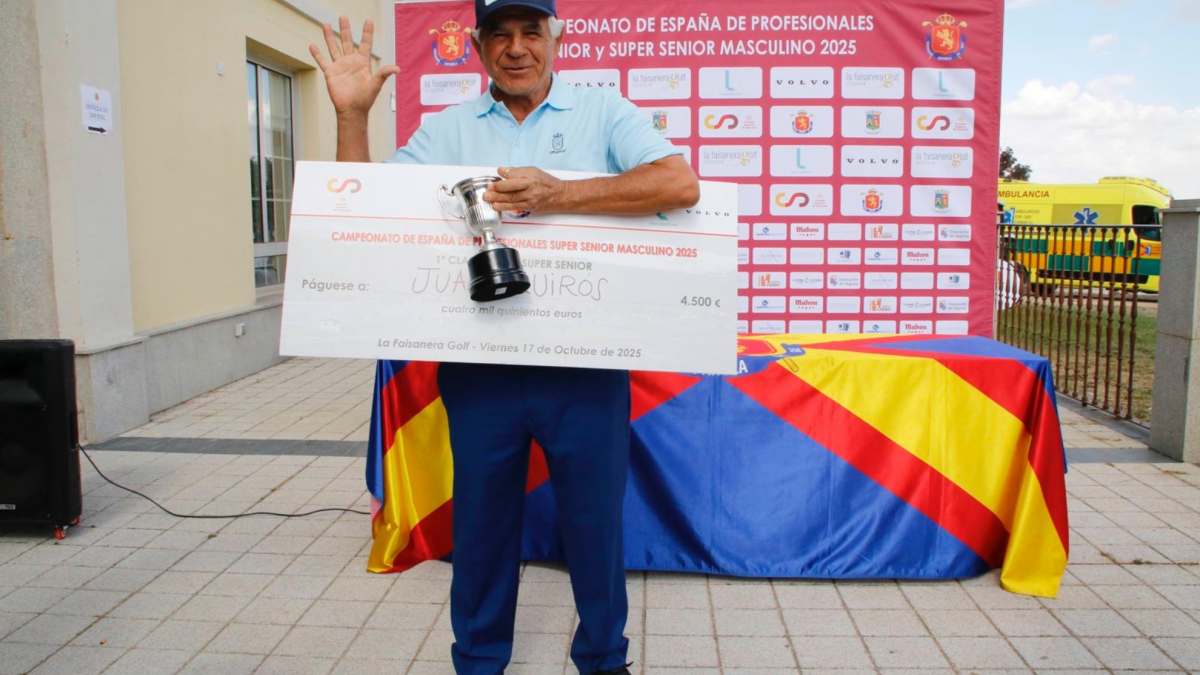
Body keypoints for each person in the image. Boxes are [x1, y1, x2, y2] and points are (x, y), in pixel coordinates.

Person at [310, 2, 699, 673]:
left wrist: (559, 195)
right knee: (483, 529)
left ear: (555, 38)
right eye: (499, 35)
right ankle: (480, 659)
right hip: (480, 368)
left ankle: (604, 657)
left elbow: (678, 183)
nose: (516, 48)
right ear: (478, 46)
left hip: (585, 368)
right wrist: (351, 116)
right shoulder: (450, 128)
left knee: (594, 527)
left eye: (530, 32)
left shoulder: (603, 113)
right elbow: (365, 208)